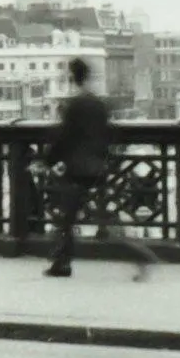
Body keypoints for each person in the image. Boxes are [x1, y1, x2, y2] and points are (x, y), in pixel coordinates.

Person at [45, 57, 155, 279]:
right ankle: (136, 252)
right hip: (98, 168)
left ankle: (62, 263)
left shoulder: (74, 106)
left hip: (76, 170)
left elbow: (64, 138)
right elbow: (110, 134)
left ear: (73, 78)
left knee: (67, 219)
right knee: (103, 218)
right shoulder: (100, 104)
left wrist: (48, 160)